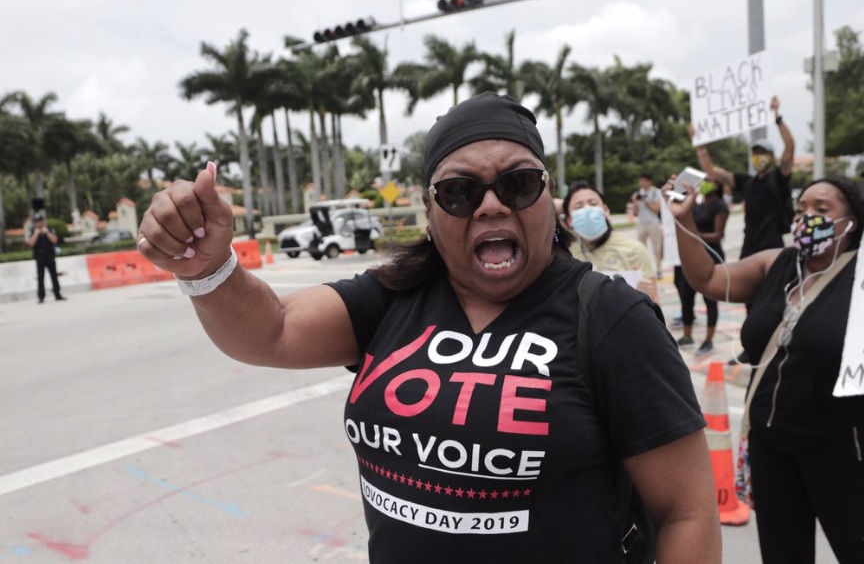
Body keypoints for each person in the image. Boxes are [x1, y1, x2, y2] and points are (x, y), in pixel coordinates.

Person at [137, 92, 721, 563]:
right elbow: (273, 330)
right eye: (460, 192)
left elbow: (686, 514)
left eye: (518, 184)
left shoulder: (613, 320)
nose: (491, 206)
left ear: (550, 200)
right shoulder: (392, 298)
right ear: (430, 211)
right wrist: (209, 269)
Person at [669, 175, 864, 564]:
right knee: (783, 553)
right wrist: (684, 220)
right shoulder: (777, 263)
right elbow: (707, 279)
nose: (807, 217)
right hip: (770, 445)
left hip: (842, 449)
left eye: (821, 210)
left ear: (851, 222)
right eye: (801, 209)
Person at [694, 95, 795, 364]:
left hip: (773, 247)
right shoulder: (747, 182)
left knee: (775, 300)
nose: (758, 157)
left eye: (763, 153)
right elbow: (713, 172)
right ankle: (752, 346)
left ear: (771, 157)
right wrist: (701, 146)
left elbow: (790, 149)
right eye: (755, 153)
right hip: (750, 246)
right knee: (750, 301)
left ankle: (776, 344)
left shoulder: (778, 179)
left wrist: (777, 117)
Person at [564, 183, 658, 302]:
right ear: (569, 220)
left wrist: (649, 296)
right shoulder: (566, 254)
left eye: (593, 204)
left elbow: (655, 305)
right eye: (578, 207)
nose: (587, 210)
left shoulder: (634, 249)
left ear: (606, 211)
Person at [668, 181, 729, 355]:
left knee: (710, 298)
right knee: (685, 294)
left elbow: (718, 235)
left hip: (710, 256)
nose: (705, 184)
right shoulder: (697, 203)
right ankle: (687, 336)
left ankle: (708, 340)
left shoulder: (719, 206)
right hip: (689, 255)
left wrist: (694, 237)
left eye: (710, 181)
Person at [25, 211, 65, 304]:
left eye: (40, 221)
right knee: (40, 277)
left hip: (50, 255)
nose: (39, 223)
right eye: (37, 221)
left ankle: (57, 294)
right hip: (39, 257)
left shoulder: (49, 229)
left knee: (54, 275)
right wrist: (36, 233)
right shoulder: (32, 231)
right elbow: (30, 243)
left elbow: (55, 240)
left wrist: (46, 232)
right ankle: (41, 296)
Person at [631, 173, 664, 278]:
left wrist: (646, 201)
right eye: (641, 180)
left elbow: (656, 209)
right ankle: (643, 270)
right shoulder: (638, 193)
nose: (642, 183)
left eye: (644, 180)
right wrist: (635, 202)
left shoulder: (656, 192)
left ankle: (658, 269)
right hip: (641, 223)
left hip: (653, 223)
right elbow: (635, 213)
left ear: (649, 181)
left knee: (657, 248)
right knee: (641, 249)